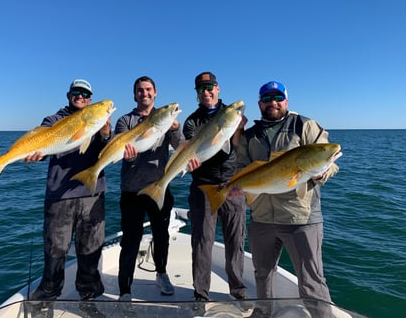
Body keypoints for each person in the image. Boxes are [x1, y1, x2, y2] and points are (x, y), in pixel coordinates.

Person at [236, 80, 339, 317]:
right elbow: (241, 167)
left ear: (286, 100)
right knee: (262, 274)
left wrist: (322, 173)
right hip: (261, 218)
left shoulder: (304, 125)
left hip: (301, 218)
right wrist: (236, 187)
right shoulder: (250, 135)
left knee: (311, 281)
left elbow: (330, 162)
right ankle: (263, 313)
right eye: (267, 99)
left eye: (277, 97)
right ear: (259, 104)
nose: (273, 102)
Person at [24, 79, 112, 315]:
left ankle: (89, 297)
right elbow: (42, 143)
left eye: (85, 93)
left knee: (90, 248)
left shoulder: (99, 122)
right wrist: (35, 155)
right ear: (68, 95)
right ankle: (48, 295)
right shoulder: (53, 120)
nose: (80, 96)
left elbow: (107, 150)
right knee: (55, 249)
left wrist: (105, 132)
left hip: (92, 193)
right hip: (60, 195)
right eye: (76, 92)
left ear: (91, 99)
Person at [115, 76, 185, 301]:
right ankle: (125, 289)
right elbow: (117, 147)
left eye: (148, 90)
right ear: (134, 94)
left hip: (159, 188)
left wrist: (174, 129)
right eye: (139, 90)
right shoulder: (125, 120)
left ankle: (161, 273)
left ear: (155, 93)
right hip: (131, 191)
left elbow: (180, 146)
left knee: (161, 235)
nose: (144, 93)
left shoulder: (168, 119)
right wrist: (125, 153)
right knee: (130, 240)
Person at [183, 72, 248, 304]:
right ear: (197, 94)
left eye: (210, 87)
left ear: (218, 88)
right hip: (202, 188)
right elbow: (199, 151)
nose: (206, 92)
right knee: (201, 243)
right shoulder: (191, 121)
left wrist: (238, 129)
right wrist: (188, 162)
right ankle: (201, 295)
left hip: (232, 186)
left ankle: (239, 293)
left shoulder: (231, 115)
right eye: (201, 89)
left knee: (236, 241)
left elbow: (236, 146)